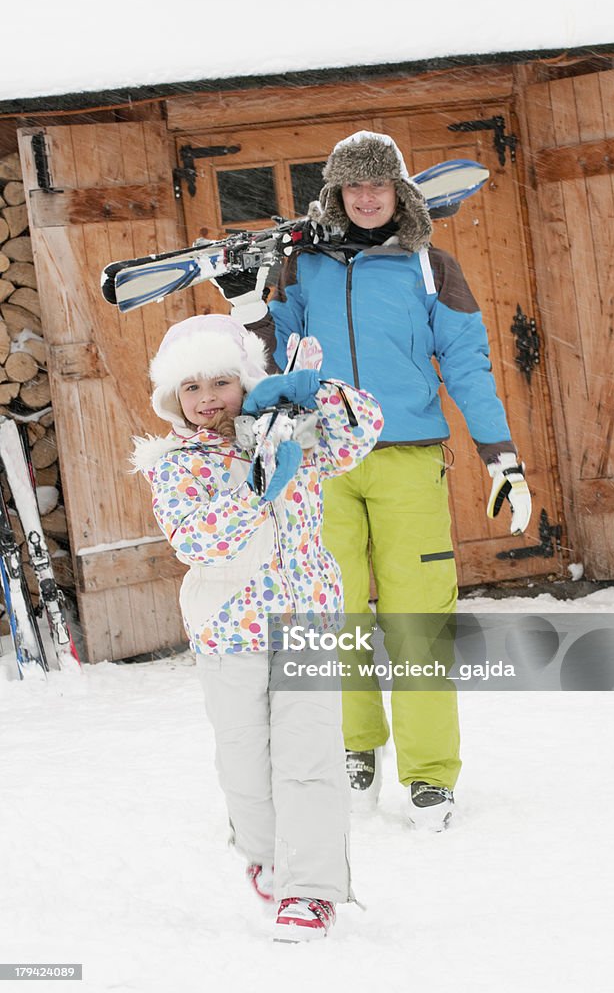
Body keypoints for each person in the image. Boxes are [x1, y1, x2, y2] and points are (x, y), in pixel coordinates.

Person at [259, 130, 532, 832]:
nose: (367, 197)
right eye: (353, 186)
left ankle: (429, 774)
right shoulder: (300, 267)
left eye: (379, 184)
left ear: (400, 191)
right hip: (322, 462)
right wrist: (247, 305)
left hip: (408, 459)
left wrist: (500, 454)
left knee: (418, 620)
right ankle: (356, 746)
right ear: (336, 195)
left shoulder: (430, 267)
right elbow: (267, 354)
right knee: (335, 615)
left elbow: (468, 366)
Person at [131, 314, 383, 941]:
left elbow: (363, 431)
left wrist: (309, 393)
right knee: (244, 761)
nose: (208, 398)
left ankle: (311, 890)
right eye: (192, 388)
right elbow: (196, 540)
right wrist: (257, 487)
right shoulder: (177, 463)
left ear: (247, 382)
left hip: (307, 619)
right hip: (228, 631)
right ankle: (267, 857)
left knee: (309, 759)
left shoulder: (295, 432)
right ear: (173, 398)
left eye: (222, 381)